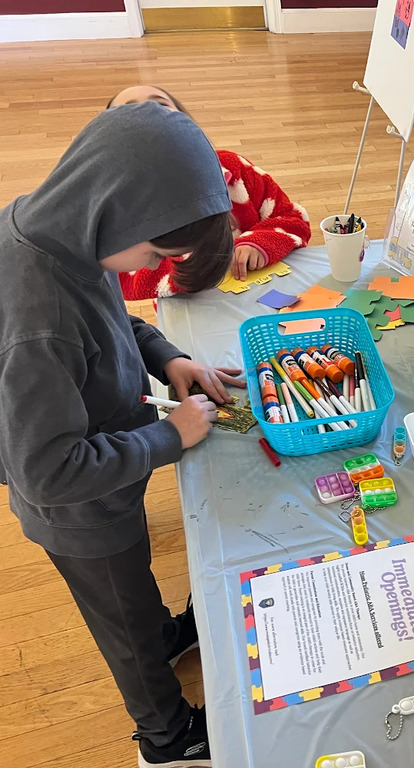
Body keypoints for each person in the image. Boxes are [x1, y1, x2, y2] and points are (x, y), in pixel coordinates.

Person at [0, 102, 247, 767]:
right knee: (124, 628)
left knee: (132, 596)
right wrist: (171, 436)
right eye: (156, 254)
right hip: (81, 510)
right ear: (114, 215)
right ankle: (166, 737)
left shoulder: (67, 234)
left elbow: (116, 321)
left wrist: (168, 357)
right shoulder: (39, 322)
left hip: (109, 474)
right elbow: (46, 472)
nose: (152, 266)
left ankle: (160, 633)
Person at [107, 84, 311, 298]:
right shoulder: (119, 201)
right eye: (129, 109)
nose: (149, 111)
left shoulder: (234, 168)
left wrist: (259, 243)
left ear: (185, 120)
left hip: (265, 296)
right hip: (192, 310)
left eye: (160, 104)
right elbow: (123, 279)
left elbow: (292, 219)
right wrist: (206, 264)